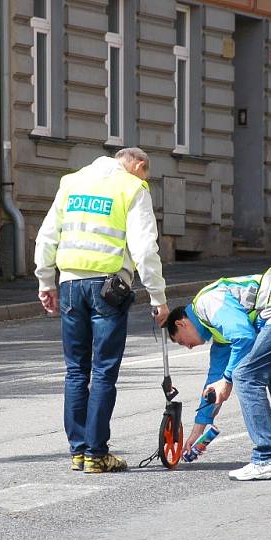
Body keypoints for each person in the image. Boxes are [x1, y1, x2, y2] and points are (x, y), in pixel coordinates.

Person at [35, 147, 168, 474]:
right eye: (145, 173)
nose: (144, 179)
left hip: (69, 286)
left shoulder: (72, 182)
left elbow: (47, 235)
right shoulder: (132, 187)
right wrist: (158, 296)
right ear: (138, 165)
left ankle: (79, 452)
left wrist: (45, 281)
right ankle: (96, 453)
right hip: (108, 289)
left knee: (75, 371)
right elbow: (144, 247)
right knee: (104, 371)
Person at [165, 266, 271, 481]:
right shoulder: (219, 334)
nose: (187, 347)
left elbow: (243, 337)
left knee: (245, 376)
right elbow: (214, 384)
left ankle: (267, 458)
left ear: (181, 323)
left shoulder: (207, 302)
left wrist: (228, 379)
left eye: (180, 341)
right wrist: (197, 431)